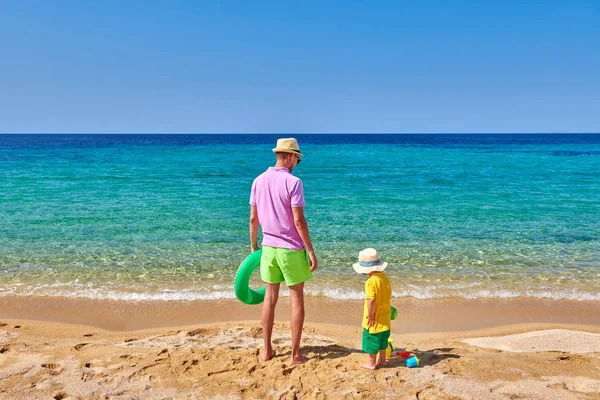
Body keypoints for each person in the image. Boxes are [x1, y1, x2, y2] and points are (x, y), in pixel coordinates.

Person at [249, 137, 318, 365]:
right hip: (290, 249)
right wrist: (310, 250)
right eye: (297, 158)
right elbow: (299, 221)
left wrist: (254, 246)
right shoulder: (293, 182)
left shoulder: (258, 180)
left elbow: (253, 219)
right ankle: (295, 354)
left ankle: (266, 350)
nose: (297, 163)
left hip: (268, 247)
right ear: (290, 157)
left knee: (269, 299)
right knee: (296, 300)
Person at [352, 248, 392, 370]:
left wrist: (370, 315)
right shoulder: (385, 278)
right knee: (383, 341)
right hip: (385, 317)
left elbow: (371, 300)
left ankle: (371, 363)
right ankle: (383, 360)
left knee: (372, 341)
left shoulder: (370, 282)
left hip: (375, 318)